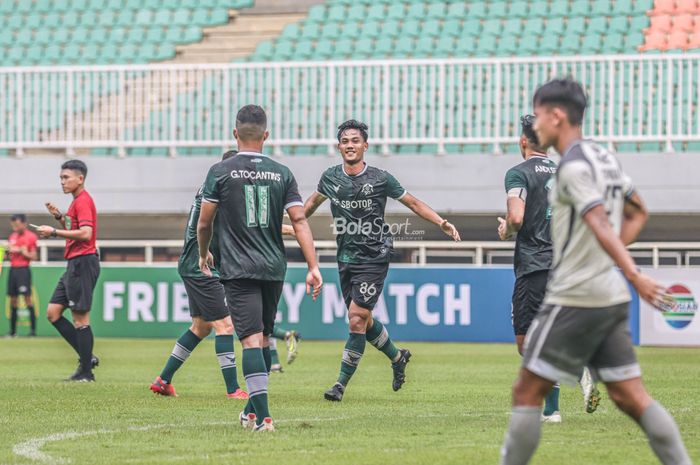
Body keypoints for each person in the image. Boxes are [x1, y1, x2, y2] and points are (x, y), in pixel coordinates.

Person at [499, 78, 692, 465]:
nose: (534, 125)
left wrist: (633, 273)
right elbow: (638, 210)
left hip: (573, 294)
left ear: (556, 116)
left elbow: (600, 222)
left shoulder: (570, 168)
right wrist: (611, 263)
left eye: (538, 115)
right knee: (631, 396)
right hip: (609, 295)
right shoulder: (603, 156)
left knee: (525, 392)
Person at [303, 119, 461, 402]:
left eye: (355, 141)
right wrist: (287, 224)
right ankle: (398, 356)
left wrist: (441, 222)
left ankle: (339, 385)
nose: (350, 145)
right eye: (345, 141)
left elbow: (412, 202)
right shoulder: (330, 178)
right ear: (339, 147)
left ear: (365, 145)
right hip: (346, 258)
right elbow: (307, 209)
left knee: (355, 319)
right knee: (364, 319)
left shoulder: (380, 178)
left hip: (374, 257)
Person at [197, 105, 322, 432]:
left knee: (252, 341)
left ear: (235, 134)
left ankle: (264, 418)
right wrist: (313, 266)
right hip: (273, 267)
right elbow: (299, 220)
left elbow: (204, 223)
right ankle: (251, 412)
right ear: (266, 135)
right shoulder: (282, 172)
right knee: (264, 338)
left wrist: (203, 252)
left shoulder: (220, 171)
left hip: (239, 269)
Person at [498, 115, 600, 422]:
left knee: (526, 342)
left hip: (535, 266)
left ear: (524, 142)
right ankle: (552, 410)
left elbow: (516, 218)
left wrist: (506, 230)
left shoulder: (518, 174)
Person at [150, 150, 248, 400]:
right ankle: (232, 389)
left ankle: (163, 380)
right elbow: (248, 223)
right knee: (225, 327)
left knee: (201, 327)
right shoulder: (225, 188)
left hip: (192, 264)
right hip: (201, 266)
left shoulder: (210, 187)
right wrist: (287, 228)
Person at [36, 160, 101, 382]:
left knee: (81, 319)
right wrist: (59, 218)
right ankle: (87, 357)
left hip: (83, 262)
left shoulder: (83, 201)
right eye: (61, 178)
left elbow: (85, 234)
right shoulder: (76, 203)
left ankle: (86, 372)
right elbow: (75, 230)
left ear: (80, 178)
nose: (62, 182)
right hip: (74, 263)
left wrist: (53, 232)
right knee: (53, 313)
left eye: (66, 177)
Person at [6, 214, 38, 337]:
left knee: (27, 299)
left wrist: (23, 252)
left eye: (17, 225)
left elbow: (34, 256)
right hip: (12, 270)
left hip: (23, 270)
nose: (14, 227)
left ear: (24, 224)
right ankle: (13, 332)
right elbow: (9, 255)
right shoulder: (12, 236)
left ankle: (33, 332)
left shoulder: (31, 237)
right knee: (13, 300)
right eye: (13, 225)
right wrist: (9, 251)